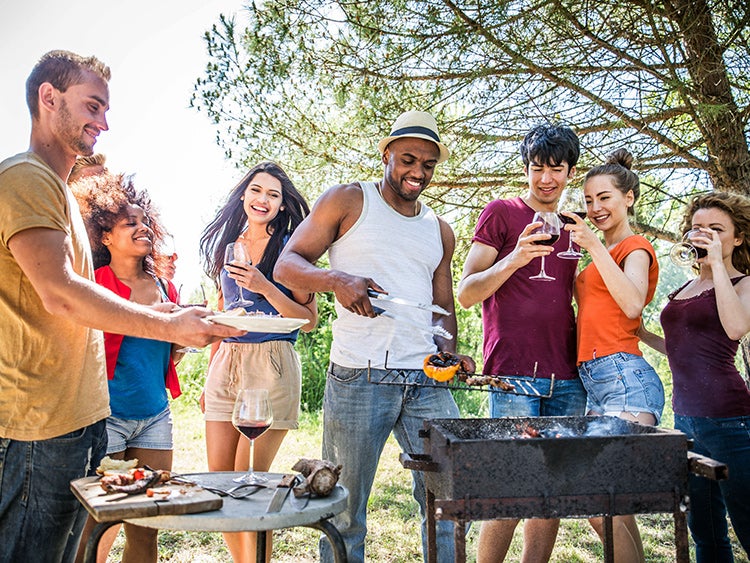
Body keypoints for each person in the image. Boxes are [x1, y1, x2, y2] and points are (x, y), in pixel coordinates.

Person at [0, 50, 241, 563]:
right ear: (49, 98)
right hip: (35, 426)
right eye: (92, 106)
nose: (103, 122)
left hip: (75, 420)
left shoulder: (57, 189)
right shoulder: (26, 178)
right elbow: (59, 293)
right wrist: (167, 323)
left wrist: (173, 320)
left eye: (105, 110)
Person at [274, 110, 474, 563]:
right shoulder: (348, 200)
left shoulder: (440, 230)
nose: (418, 172)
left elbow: (441, 312)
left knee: (446, 500)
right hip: (359, 376)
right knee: (343, 506)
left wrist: (450, 354)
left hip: (426, 382)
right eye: (408, 159)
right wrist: (337, 280)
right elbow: (287, 265)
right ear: (386, 154)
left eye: (428, 164)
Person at [457, 123, 587, 562]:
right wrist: (516, 258)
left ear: (570, 171)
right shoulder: (502, 212)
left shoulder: (576, 226)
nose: (546, 179)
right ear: (526, 169)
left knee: (550, 491)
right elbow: (467, 291)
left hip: (569, 375)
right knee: (510, 488)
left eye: (557, 169)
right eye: (537, 168)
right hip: (513, 373)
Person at [198, 161, 317, 563]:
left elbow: (309, 319)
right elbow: (223, 307)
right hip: (227, 360)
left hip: (272, 361)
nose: (262, 199)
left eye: (273, 194)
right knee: (220, 483)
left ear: (283, 206)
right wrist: (211, 371)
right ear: (244, 195)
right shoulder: (229, 244)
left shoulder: (291, 248)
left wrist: (264, 285)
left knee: (251, 486)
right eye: (256, 190)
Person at [71, 172, 184, 563]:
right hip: (107, 417)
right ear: (105, 237)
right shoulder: (95, 284)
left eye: (143, 221)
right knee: (100, 526)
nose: (142, 228)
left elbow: (168, 352)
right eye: (129, 223)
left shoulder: (167, 288)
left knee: (147, 525)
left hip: (155, 417)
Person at [563, 148, 664, 563]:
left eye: (604, 197)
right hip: (596, 381)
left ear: (630, 198)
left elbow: (633, 305)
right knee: (602, 500)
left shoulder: (634, 247)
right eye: (588, 200)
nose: (595, 208)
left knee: (600, 494)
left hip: (624, 378)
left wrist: (592, 245)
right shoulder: (598, 259)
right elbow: (627, 323)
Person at [639, 192, 750, 562]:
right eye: (698, 228)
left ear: (737, 238)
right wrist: (638, 333)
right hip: (686, 420)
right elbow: (681, 349)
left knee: (747, 524)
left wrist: (717, 263)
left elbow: (735, 329)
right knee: (705, 531)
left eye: (716, 230)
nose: (704, 235)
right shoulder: (685, 288)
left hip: (731, 421)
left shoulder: (743, 283)